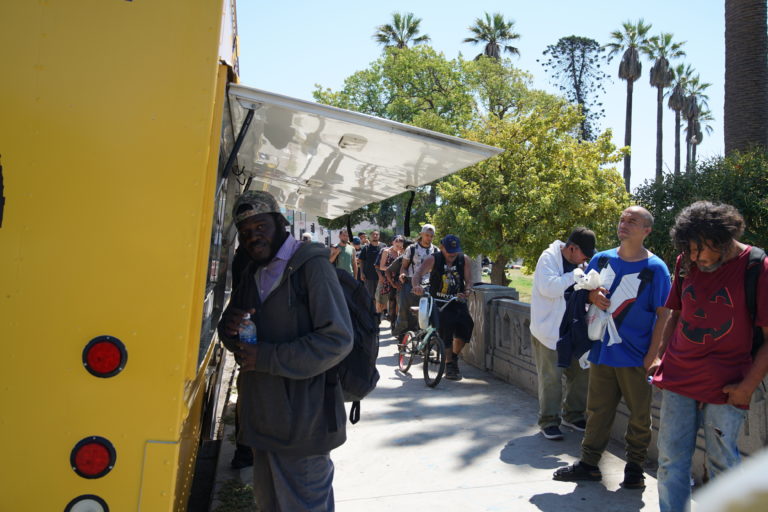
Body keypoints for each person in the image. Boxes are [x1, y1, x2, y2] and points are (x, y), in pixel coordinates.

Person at [217, 191, 353, 511]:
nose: (254, 237)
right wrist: (229, 326)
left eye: (260, 226)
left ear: (281, 223)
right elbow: (237, 339)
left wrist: (265, 357)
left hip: (304, 423)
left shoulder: (311, 266)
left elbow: (337, 339)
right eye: (246, 232)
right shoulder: (252, 271)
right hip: (264, 421)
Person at [647, 201, 768, 512]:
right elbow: (676, 313)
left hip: (728, 386)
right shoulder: (685, 261)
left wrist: (746, 387)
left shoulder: (757, 266)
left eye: (701, 249)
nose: (695, 257)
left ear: (722, 239)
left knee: (723, 465)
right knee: (670, 461)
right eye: (688, 249)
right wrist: (661, 355)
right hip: (678, 378)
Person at [553, 206, 671, 490]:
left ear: (647, 230)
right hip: (603, 351)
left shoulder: (656, 268)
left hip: (636, 356)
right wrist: (592, 295)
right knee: (597, 411)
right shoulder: (602, 258)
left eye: (633, 221)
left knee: (640, 416)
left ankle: (635, 468)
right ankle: (590, 464)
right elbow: (579, 294)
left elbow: (664, 315)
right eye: (622, 219)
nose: (624, 224)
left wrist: (654, 355)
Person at [530, 227, 596, 440]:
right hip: (549, 330)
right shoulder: (548, 258)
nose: (585, 259)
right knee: (552, 378)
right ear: (571, 248)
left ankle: (573, 414)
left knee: (581, 372)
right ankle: (549, 420)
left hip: (574, 327)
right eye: (583, 253)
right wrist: (575, 275)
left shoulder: (580, 264)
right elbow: (548, 288)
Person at [412, 235, 474, 381]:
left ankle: (453, 356)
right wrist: (416, 286)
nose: (452, 255)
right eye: (449, 251)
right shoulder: (433, 259)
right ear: (441, 248)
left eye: (455, 251)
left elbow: (469, 281)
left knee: (466, 327)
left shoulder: (464, 259)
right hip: (437, 301)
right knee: (446, 328)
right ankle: (449, 365)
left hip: (456, 300)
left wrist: (468, 291)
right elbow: (418, 274)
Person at [394, 224, 438, 341]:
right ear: (421, 235)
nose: (429, 238)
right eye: (427, 235)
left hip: (428, 285)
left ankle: (424, 341)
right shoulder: (412, 249)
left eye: (431, 236)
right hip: (411, 283)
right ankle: (403, 338)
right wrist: (402, 274)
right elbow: (404, 267)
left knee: (426, 313)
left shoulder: (436, 250)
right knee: (405, 311)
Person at [379, 235, 405, 323]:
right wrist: (391, 269)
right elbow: (381, 267)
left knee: (397, 301)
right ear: (392, 242)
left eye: (400, 245)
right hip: (388, 277)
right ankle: (383, 316)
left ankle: (395, 319)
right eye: (397, 244)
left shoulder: (401, 253)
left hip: (398, 278)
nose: (398, 246)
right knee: (387, 300)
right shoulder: (386, 251)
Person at [358, 230, 385, 309]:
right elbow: (361, 261)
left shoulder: (384, 246)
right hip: (369, 277)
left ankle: (380, 313)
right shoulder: (366, 248)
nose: (375, 236)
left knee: (381, 297)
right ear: (370, 236)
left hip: (382, 277)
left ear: (379, 236)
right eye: (373, 234)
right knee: (370, 297)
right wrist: (362, 273)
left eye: (377, 234)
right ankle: (372, 313)